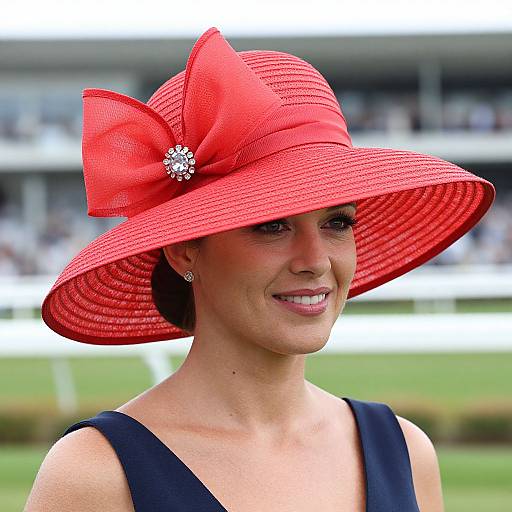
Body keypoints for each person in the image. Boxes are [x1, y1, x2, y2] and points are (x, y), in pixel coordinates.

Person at [25, 27, 495, 511]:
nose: (315, 261)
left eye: (337, 222)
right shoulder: (94, 477)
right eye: (272, 226)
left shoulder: (406, 453)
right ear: (185, 250)